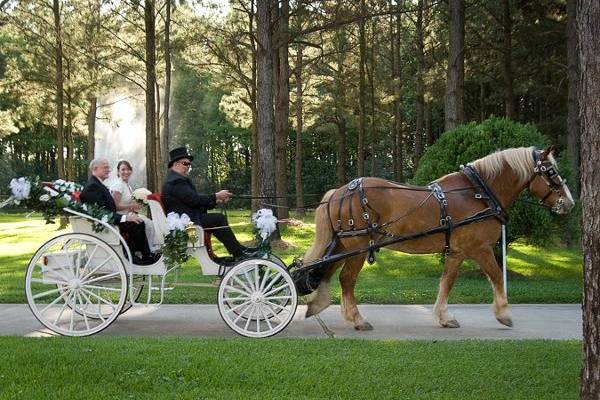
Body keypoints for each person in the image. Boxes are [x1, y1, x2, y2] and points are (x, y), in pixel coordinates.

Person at [161, 146, 256, 260]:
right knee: (218, 219)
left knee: (216, 219)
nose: (188, 167)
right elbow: (194, 200)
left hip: (190, 217)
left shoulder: (177, 179)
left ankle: (239, 250)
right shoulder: (175, 181)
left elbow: (193, 201)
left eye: (189, 165)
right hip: (185, 223)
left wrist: (216, 200)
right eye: (185, 164)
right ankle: (238, 252)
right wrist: (216, 196)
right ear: (175, 164)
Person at [80, 158, 158, 265]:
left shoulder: (98, 184)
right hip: (104, 224)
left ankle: (143, 254)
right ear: (95, 169)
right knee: (137, 223)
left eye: (108, 167)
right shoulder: (93, 187)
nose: (108, 170)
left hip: (109, 220)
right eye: (105, 167)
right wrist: (125, 217)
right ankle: (134, 256)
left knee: (138, 222)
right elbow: (101, 213)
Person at [110, 160, 159, 252]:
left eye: (128, 169)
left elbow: (127, 202)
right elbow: (115, 206)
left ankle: (149, 248)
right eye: (123, 169)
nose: (126, 172)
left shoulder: (127, 186)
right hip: (122, 217)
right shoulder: (118, 186)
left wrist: (135, 206)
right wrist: (131, 206)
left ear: (131, 171)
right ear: (118, 172)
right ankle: (146, 251)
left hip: (129, 214)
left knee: (150, 223)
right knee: (147, 223)